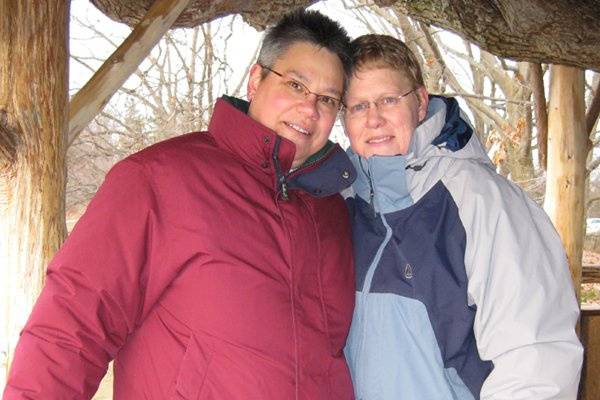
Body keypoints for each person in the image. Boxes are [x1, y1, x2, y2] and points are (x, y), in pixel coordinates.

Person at [4, 10, 358, 400]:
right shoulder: (159, 179)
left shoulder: (332, 211)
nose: (310, 109)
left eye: (327, 99)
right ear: (255, 80)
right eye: (295, 85)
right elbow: (72, 325)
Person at [341, 34, 583, 400]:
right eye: (358, 106)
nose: (374, 119)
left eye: (388, 100)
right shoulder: (340, 204)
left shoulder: (480, 201)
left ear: (420, 103)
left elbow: (536, 358)